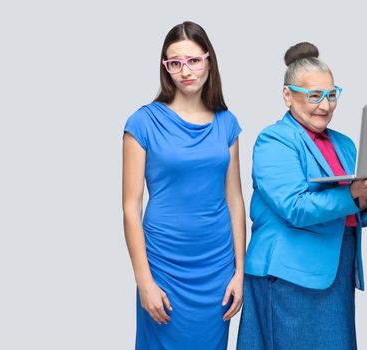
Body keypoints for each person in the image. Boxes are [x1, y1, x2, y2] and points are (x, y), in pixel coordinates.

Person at [237, 42, 367, 350]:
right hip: (291, 276)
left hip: (334, 270)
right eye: (314, 96)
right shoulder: (275, 140)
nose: (325, 106)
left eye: (332, 95)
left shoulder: (345, 144)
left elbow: (356, 208)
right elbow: (295, 207)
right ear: (288, 95)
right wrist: (353, 193)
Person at [122, 21, 245, 349]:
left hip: (217, 265)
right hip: (163, 261)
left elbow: (235, 199)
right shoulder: (143, 122)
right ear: (165, 68)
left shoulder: (226, 123)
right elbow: (130, 207)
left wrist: (239, 272)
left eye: (193, 60)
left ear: (209, 60)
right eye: (174, 63)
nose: (185, 71)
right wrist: (144, 280)